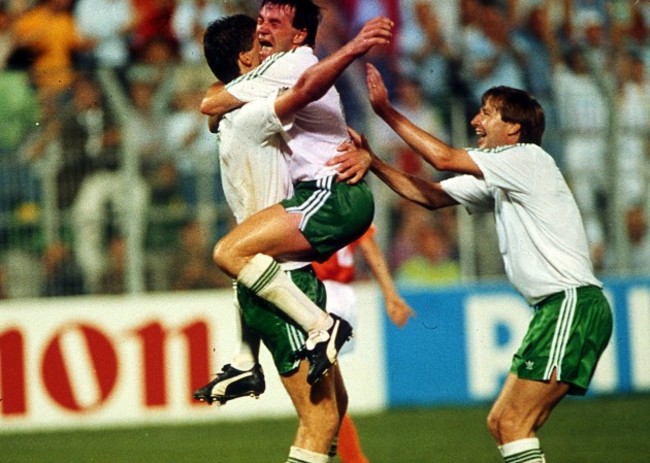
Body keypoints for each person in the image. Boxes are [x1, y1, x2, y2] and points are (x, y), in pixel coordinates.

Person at [340, 64, 613, 463]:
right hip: (556, 310)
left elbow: (444, 158)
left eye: (486, 112)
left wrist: (386, 111)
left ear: (513, 130)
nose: (475, 120)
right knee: (503, 421)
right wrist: (375, 162)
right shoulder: (504, 175)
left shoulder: (527, 158)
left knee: (513, 423)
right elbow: (432, 196)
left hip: (570, 305)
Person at [193, 13, 392, 463]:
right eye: (259, 44)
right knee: (318, 422)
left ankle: (251, 362)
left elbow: (219, 103)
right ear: (246, 59)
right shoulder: (252, 116)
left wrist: (360, 150)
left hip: (274, 277)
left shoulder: (230, 114)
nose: (267, 47)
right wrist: (354, 48)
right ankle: (323, 327)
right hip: (283, 281)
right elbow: (303, 91)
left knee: (332, 413)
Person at [312, 225, 414, 463]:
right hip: (343, 298)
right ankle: (349, 456)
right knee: (326, 388)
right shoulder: (351, 200)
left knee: (319, 393)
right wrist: (390, 294)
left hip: (316, 294)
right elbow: (370, 249)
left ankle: (352, 458)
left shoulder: (304, 196)